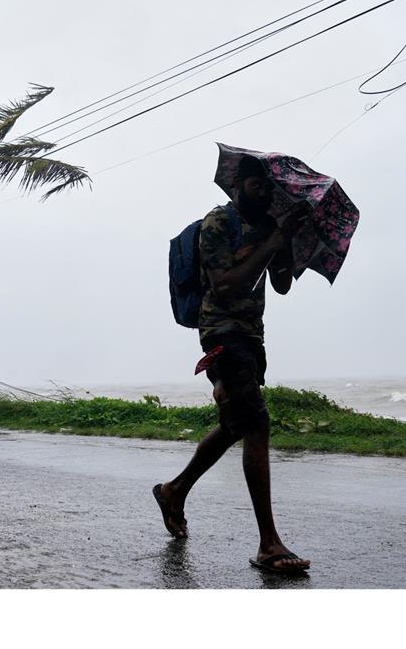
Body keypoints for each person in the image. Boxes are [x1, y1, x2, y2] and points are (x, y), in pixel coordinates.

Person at [153, 154, 313, 575]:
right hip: (221, 332)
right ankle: (269, 543)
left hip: (252, 334)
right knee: (257, 423)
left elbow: (279, 284)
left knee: (234, 425)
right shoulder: (217, 224)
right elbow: (224, 284)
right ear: (238, 185)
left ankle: (174, 490)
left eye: (269, 188)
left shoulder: (265, 228)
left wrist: (287, 241)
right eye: (257, 185)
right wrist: (272, 243)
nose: (264, 193)